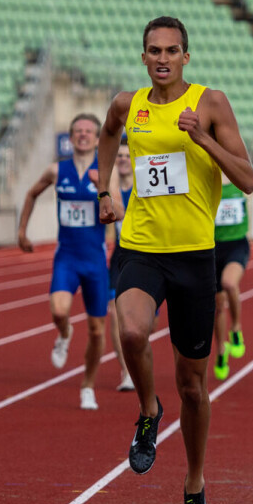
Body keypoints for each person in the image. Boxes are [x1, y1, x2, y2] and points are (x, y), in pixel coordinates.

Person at [97, 16, 253, 504]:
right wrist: (105, 191)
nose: (162, 57)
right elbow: (107, 134)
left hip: (194, 258)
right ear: (143, 57)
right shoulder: (128, 104)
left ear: (187, 56)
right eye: (153, 50)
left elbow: (247, 180)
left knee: (193, 386)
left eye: (171, 49)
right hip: (141, 247)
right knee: (131, 333)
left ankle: (194, 485)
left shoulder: (211, 104)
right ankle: (147, 408)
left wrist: (202, 139)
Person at [18, 113, 124, 411]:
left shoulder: (106, 170)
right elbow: (31, 194)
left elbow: (121, 211)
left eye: (89, 131)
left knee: (96, 330)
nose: (83, 135)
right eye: (78, 130)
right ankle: (64, 333)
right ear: (70, 135)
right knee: (58, 310)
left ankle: (88, 386)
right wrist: (22, 231)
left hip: (94, 260)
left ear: (97, 137)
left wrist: (102, 189)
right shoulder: (56, 170)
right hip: (66, 257)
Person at [212, 178, 253, 380]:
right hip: (211, 247)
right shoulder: (207, 174)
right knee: (217, 306)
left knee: (229, 283)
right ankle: (220, 350)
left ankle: (236, 327)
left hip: (236, 245)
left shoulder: (236, 174)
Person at [108, 139, 137, 392]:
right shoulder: (109, 188)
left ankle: (137, 361)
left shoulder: (143, 186)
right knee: (114, 313)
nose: (123, 159)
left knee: (144, 325)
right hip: (120, 257)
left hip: (145, 257)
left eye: (127, 155)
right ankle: (126, 372)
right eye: (118, 156)